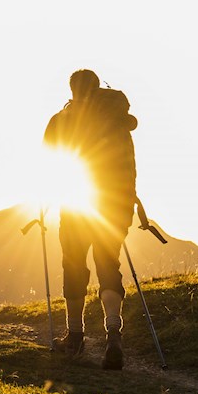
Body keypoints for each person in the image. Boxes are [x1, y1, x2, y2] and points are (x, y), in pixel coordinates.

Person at [43, 69, 138, 370]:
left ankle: (75, 336)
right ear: (98, 88)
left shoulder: (62, 118)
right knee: (109, 264)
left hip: (76, 202)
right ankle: (113, 333)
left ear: (71, 88)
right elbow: (128, 163)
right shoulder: (117, 118)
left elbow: (51, 159)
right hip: (115, 203)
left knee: (74, 265)